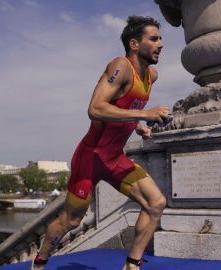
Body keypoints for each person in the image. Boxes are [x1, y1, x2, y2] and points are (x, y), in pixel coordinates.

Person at [31, 16, 169, 270]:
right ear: (134, 44)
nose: (161, 44)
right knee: (71, 223)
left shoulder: (151, 75)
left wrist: (139, 127)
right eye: (154, 39)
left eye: (160, 38)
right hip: (90, 158)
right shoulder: (121, 66)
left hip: (115, 159)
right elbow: (95, 109)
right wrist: (144, 114)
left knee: (156, 203)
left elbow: (122, 106)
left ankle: (132, 264)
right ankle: (40, 259)